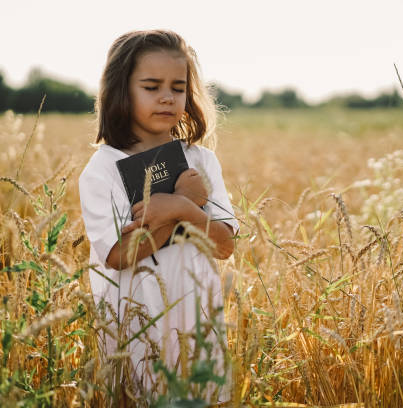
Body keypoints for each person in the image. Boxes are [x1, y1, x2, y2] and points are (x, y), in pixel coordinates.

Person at [78, 29, 238, 400]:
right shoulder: (103, 169)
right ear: (121, 90)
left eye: (178, 87)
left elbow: (225, 245)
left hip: (196, 321)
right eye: (151, 86)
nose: (167, 97)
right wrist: (180, 204)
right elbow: (119, 255)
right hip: (135, 328)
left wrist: (182, 208)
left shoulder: (201, 160)